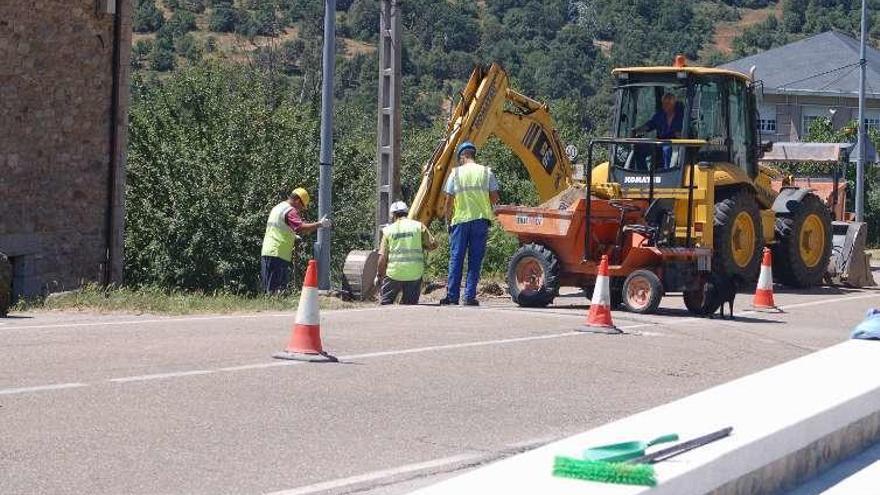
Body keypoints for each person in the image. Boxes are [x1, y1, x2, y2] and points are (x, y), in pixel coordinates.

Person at [440, 141, 500, 306]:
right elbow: (495, 198)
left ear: (462, 156)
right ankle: (469, 297)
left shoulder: (456, 174)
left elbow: (449, 200)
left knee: (456, 258)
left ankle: (452, 296)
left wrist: (447, 219)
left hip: (460, 221)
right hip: (480, 221)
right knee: (475, 260)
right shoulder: (486, 172)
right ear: (473, 154)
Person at [260, 188, 331, 293]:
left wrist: (293, 236)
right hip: (278, 253)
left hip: (268, 251)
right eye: (302, 206)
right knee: (275, 290)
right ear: (298, 201)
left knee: (269, 287)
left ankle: (270, 307)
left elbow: (281, 228)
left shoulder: (278, 207)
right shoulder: (289, 210)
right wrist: (320, 224)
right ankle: (274, 307)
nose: (301, 210)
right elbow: (300, 228)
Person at [376, 201, 437, 305]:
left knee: (385, 304)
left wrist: (379, 275)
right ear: (407, 212)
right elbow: (433, 245)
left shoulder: (388, 231)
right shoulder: (419, 226)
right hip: (414, 273)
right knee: (410, 305)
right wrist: (422, 245)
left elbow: (382, 258)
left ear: (393, 215)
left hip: (394, 274)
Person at [633, 93, 684, 168]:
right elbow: (650, 125)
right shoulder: (660, 116)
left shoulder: (682, 117)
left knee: (667, 149)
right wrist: (637, 130)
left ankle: (667, 173)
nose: (665, 106)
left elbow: (684, 133)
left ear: (674, 104)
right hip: (659, 143)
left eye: (668, 103)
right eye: (664, 104)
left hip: (675, 144)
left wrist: (680, 135)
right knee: (640, 148)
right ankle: (643, 173)